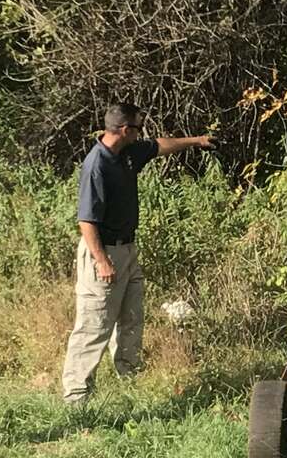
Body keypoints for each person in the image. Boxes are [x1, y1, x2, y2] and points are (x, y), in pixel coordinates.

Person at [61, 103, 212, 403]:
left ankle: (129, 380)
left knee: (131, 318)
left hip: (128, 249)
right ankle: (76, 397)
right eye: (138, 128)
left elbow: (159, 147)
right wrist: (102, 261)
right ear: (124, 130)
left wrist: (197, 141)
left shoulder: (128, 154)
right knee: (95, 323)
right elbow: (86, 221)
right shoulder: (97, 165)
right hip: (101, 252)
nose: (142, 134)